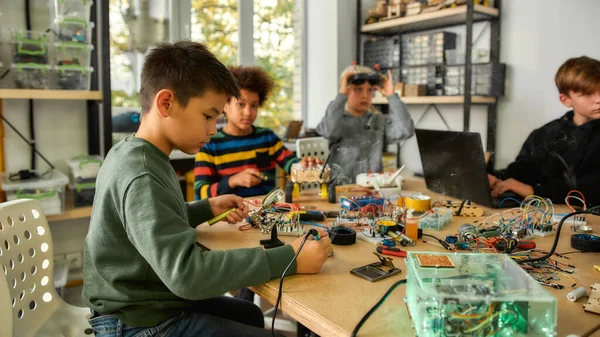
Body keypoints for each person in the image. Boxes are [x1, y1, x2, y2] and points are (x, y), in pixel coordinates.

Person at [82, 41, 332, 337]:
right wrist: (289, 259)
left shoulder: (137, 153)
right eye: (208, 116)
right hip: (138, 322)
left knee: (250, 313)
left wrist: (204, 208)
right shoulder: (143, 173)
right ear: (166, 103)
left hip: (148, 301)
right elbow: (188, 274)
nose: (213, 129)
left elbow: (148, 224)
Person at [194, 66, 320, 199]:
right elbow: (201, 193)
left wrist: (307, 166)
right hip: (230, 215)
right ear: (225, 105)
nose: (248, 112)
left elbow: (292, 165)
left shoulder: (267, 137)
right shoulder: (209, 143)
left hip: (267, 211)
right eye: (241, 104)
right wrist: (233, 181)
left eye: (254, 105)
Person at [489, 56, 600, 206]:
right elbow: (526, 168)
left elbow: (594, 185)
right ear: (566, 100)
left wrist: (535, 192)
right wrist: (499, 179)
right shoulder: (545, 133)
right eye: (587, 94)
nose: (598, 99)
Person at [316, 65, 415, 182]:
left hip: (372, 190)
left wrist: (391, 96)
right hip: (341, 190)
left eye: (370, 90)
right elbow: (328, 131)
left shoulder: (377, 121)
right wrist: (341, 96)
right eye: (358, 89)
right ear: (346, 90)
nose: (365, 96)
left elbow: (406, 130)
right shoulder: (337, 120)